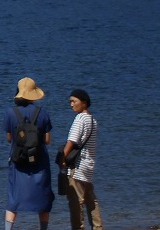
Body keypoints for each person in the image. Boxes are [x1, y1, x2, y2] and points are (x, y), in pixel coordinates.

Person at [5, 76, 54, 230]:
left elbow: (9, 139)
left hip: (18, 161)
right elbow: (47, 140)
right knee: (43, 198)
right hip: (39, 161)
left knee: (13, 199)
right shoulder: (43, 113)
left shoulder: (10, 113)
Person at [59, 88, 104, 230]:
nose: (71, 104)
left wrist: (62, 158)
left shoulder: (79, 119)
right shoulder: (93, 120)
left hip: (78, 167)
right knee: (91, 200)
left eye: (74, 101)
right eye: (70, 102)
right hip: (89, 166)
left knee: (75, 202)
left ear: (84, 103)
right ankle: (98, 227)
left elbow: (71, 141)